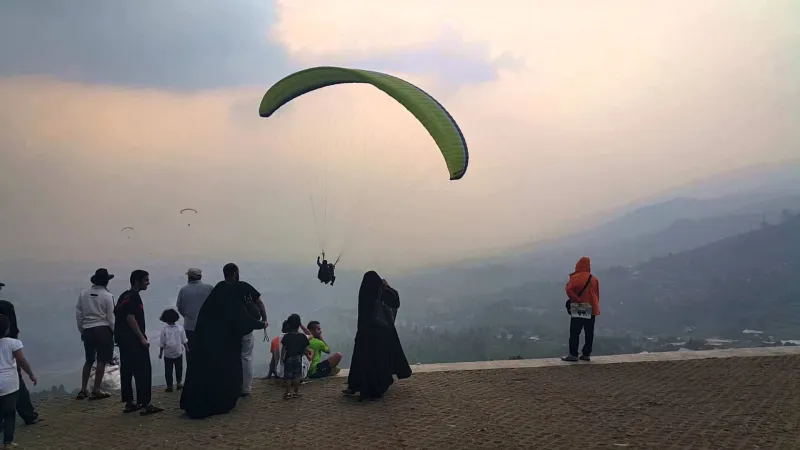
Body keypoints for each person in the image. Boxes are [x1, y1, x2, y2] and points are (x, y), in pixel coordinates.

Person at [179, 263, 268, 419]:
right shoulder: (238, 288)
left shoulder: (218, 290)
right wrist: (261, 323)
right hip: (234, 335)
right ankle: (243, 389)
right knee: (243, 358)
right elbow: (242, 314)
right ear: (235, 273)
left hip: (211, 336)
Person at [343, 271, 411, 401]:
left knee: (362, 361)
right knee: (379, 361)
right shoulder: (382, 292)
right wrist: (387, 286)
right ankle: (378, 386)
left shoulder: (364, 293)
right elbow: (396, 301)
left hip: (365, 333)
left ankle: (356, 385)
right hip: (381, 333)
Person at [115, 270, 162, 415]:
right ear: (137, 281)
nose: (148, 283)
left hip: (123, 341)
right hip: (134, 341)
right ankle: (145, 404)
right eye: (145, 280)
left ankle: (129, 403)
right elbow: (130, 317)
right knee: (143, 371)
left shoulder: (124, 296)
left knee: (127, 370)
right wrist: (142, 338)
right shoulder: (134, 298)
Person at [0, 283, 40, 426]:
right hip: (9, 352)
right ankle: (28, 415)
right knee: (17, 384)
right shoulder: (6, 307)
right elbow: (14, 330)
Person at [75, 268, 116, 401]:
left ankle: (83, 389)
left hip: (88, 329)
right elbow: (111, 318)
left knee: (89, 359)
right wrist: (115, 333)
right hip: (103, 329)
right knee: (101, 360)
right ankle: (96, 390)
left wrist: (82, 329)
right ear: (106, 282)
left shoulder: (83, 294)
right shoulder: (108, 296)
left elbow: (79, 314)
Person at [0, 314, 37, 450]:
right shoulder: (13, 343)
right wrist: (31, 375)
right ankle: (8, 443)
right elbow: (21, 361)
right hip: (9, 383)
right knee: (10, 413)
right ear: (7, 329)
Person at [561, 257, 600, 362]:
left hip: (580, 306)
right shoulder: (594, 279)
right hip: (592, 308)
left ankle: (573, 354)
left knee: (575, 331)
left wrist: (577, 299)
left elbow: (569, 290)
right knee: (589, 332)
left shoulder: (576, 277)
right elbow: (597, 295)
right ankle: (586, 354)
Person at [176, 268, 213, 356]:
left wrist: (187, 316)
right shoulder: (209, 288)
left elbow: (180, 307)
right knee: (206, 353)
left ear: (189, 277)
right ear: (200, 277)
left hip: (190, 327)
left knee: (191, 353)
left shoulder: (184, 290)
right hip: (207, 327)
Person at [158, 308, 188, 392]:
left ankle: (169, 386)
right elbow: (184, 340)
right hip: (178, 352)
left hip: (168, 354)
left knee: (168, 370)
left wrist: (160, 353)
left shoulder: (164, 330)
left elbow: (162, 343)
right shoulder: (180, 328)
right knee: (179, 368)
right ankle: (179, 383)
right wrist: (187, 349)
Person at [281, 314, 309, 400]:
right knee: (297, 376)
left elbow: (284, 348)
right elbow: (305, 349)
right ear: (299, 324)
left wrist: (282, 357)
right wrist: (306, 356)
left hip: (288, 358)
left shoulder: (286, 336)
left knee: (288, 376)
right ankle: (296, 393)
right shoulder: (302, 336)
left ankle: (287, 393)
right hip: (298, 358)